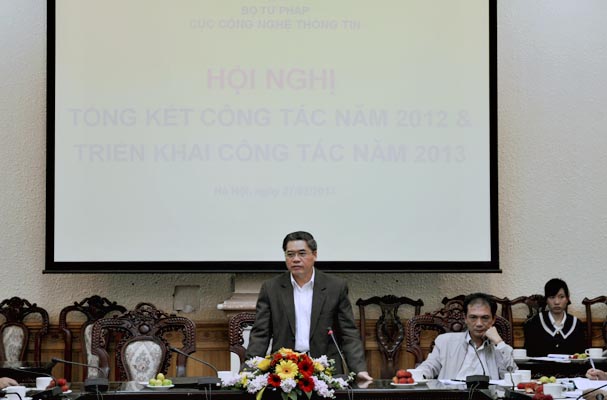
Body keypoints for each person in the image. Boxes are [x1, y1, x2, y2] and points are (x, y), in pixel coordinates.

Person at [245, 231, 372, 382]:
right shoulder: (271, 288)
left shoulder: (335, 287)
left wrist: (359, 370)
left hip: (326, 369)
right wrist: (248, 370)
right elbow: (260, 334)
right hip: (285, 369)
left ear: (315, 255)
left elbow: (348, 333)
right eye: (290, 254)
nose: (295, 259)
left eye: (302, 253)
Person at [417, 292, 517, 380]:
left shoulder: (499, 348)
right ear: (465, 318)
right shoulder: (445, 342)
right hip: (453, 393)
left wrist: (499, 342)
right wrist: (415, 375)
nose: (479, 323)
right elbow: (429, 366)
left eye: (485, 318)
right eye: (473, 317)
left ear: (493, 319)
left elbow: (512, 377)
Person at [523, 278, 585, 356]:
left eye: (561, 297)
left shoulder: (576, 324)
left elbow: (581, 356)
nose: (557, 302)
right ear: (546, 300)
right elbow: (528, 354)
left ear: (567, 299)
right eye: (552, 297)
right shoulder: (535, 322)